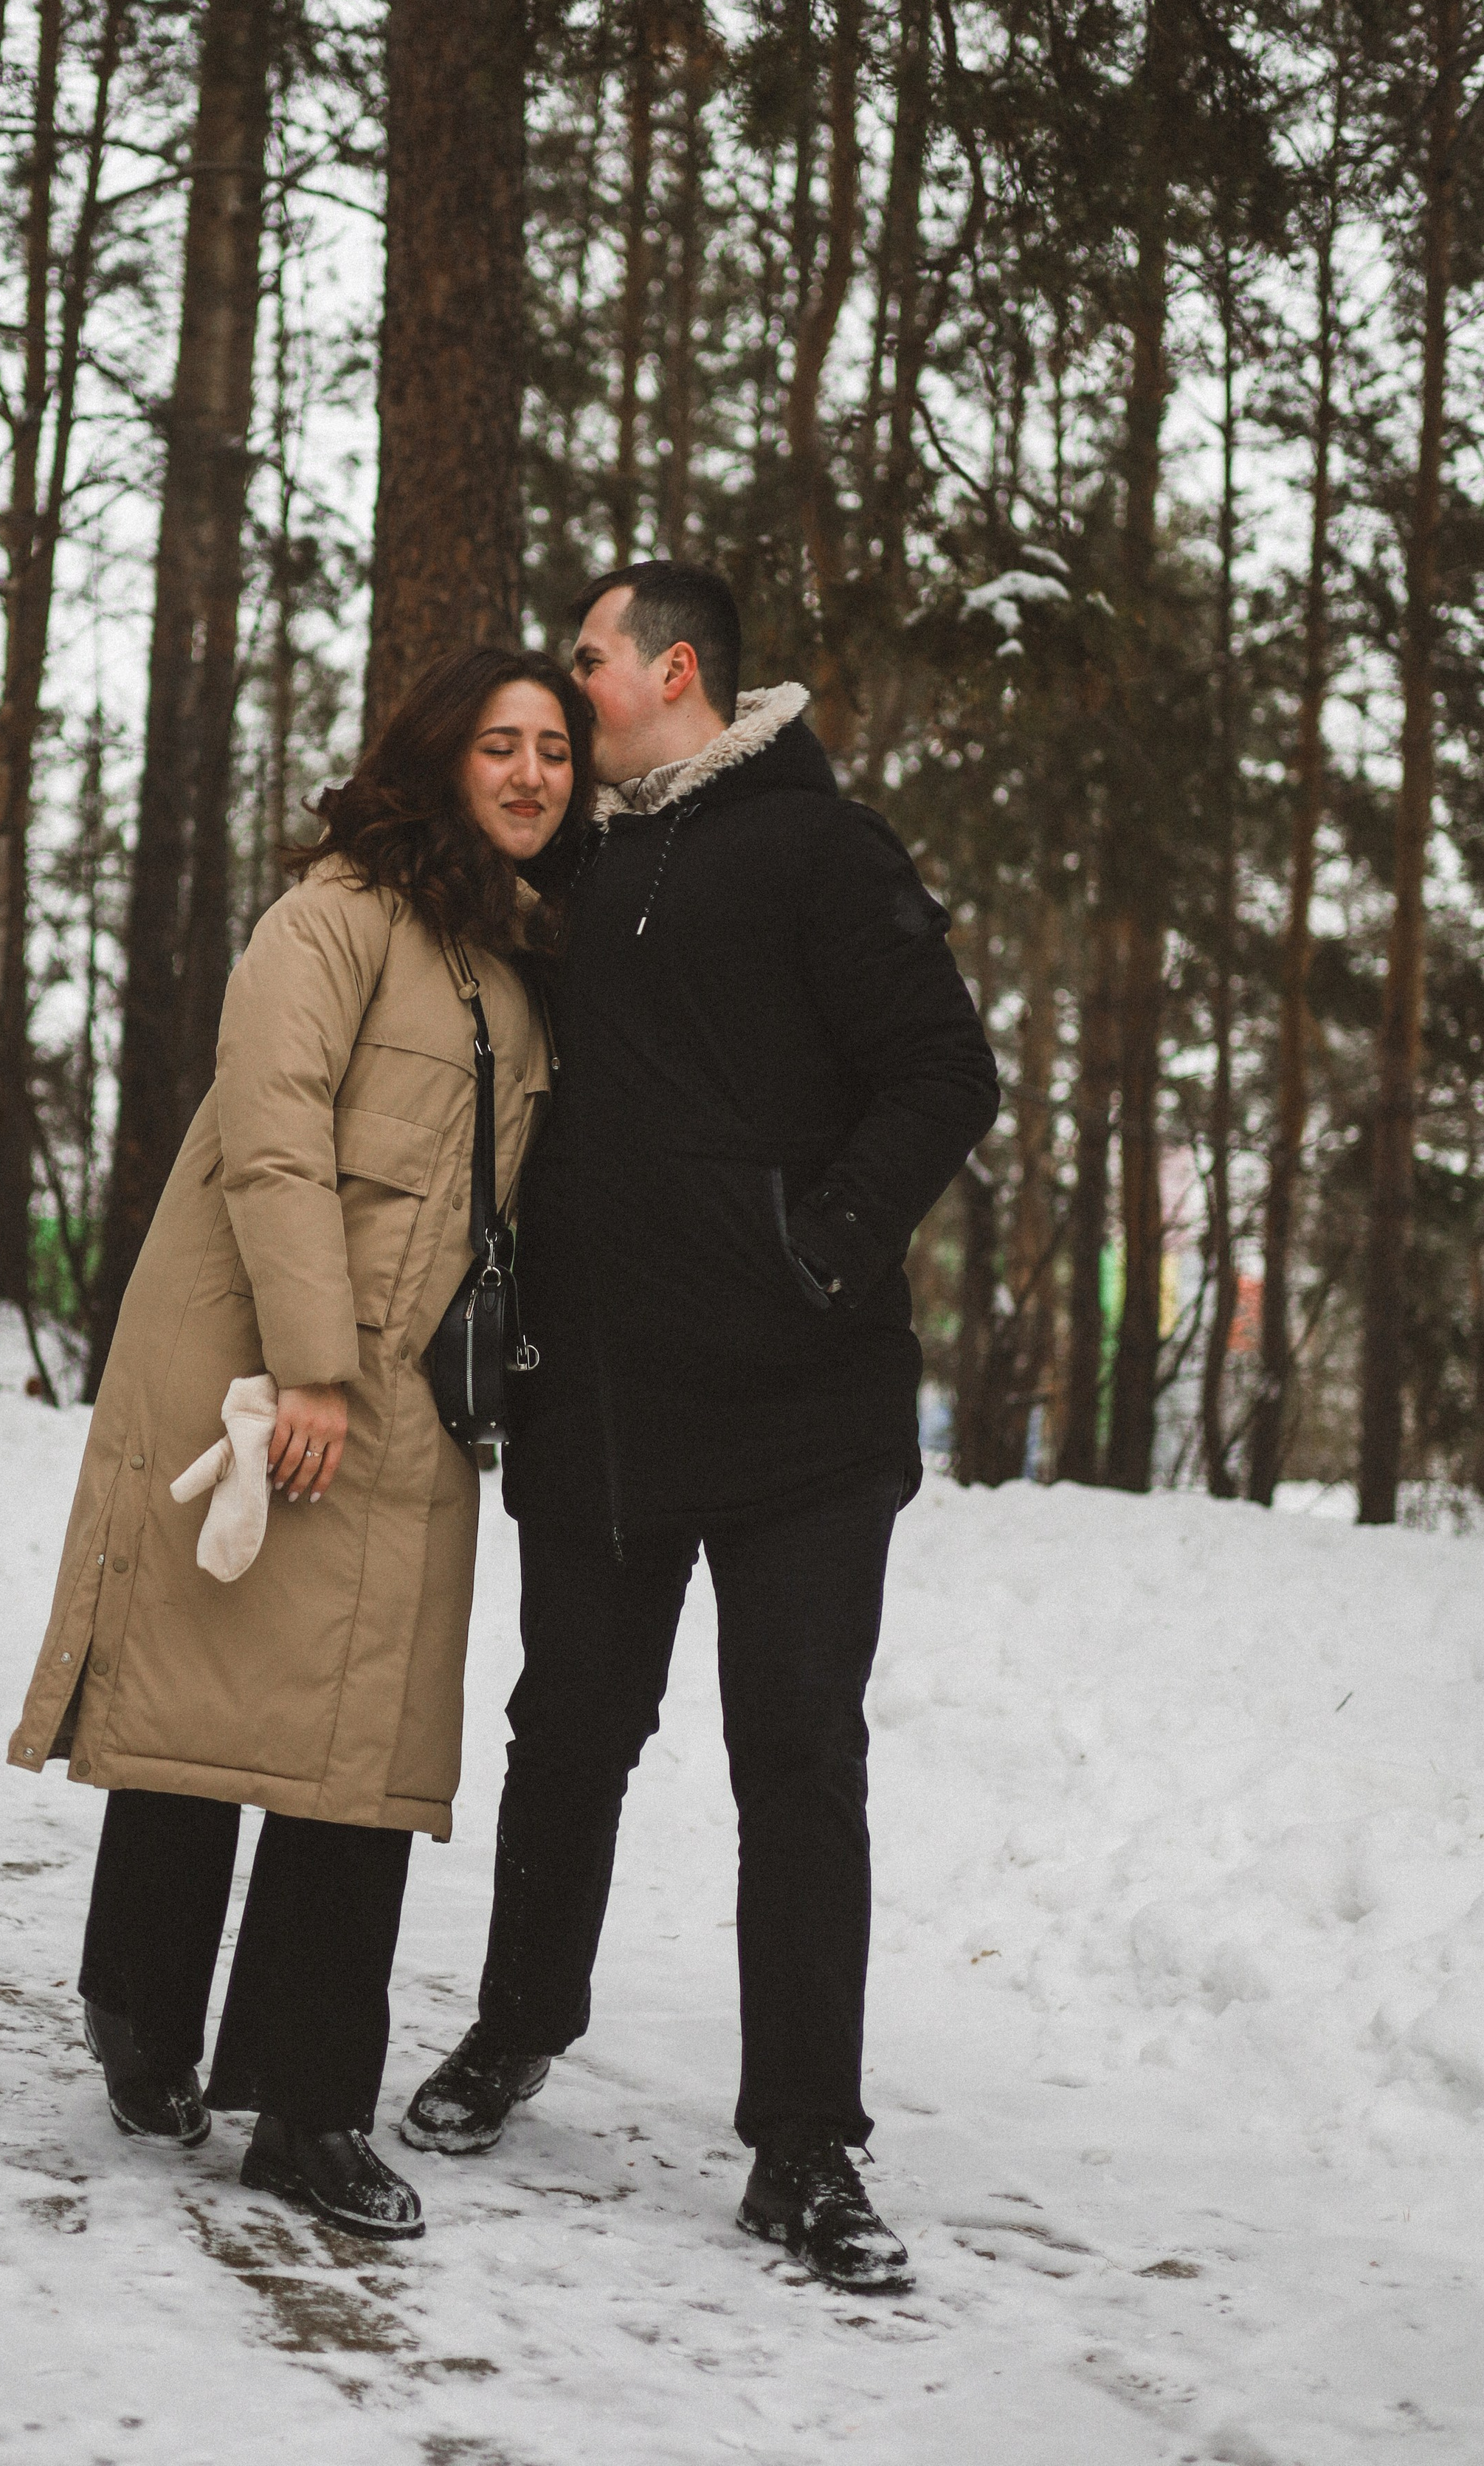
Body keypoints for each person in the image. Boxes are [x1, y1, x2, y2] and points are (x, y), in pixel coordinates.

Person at [401, 564, 999, 2295]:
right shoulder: (576, 861)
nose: (564, 685)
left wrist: (814, 1246)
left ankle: (803, 2144)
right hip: (595, 1400)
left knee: (796, 1762)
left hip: (801, 1411)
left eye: (584, 659)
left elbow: (943, 1073)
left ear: (668, 670)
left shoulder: (825, 850)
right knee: (568, 1727)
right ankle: (519, 2027)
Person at [9, 647, 592, 2242]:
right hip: (267, 1375)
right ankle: (136, 2013)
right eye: (501, 746)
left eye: (556, 749)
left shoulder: (518, 961)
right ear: (436, 758)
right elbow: (272, 1148)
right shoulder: (325, 922)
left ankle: (309, 2112)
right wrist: (313, 1371)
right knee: (216, 1704)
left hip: (419, 1406)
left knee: (360, 1759)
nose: (534, 774)